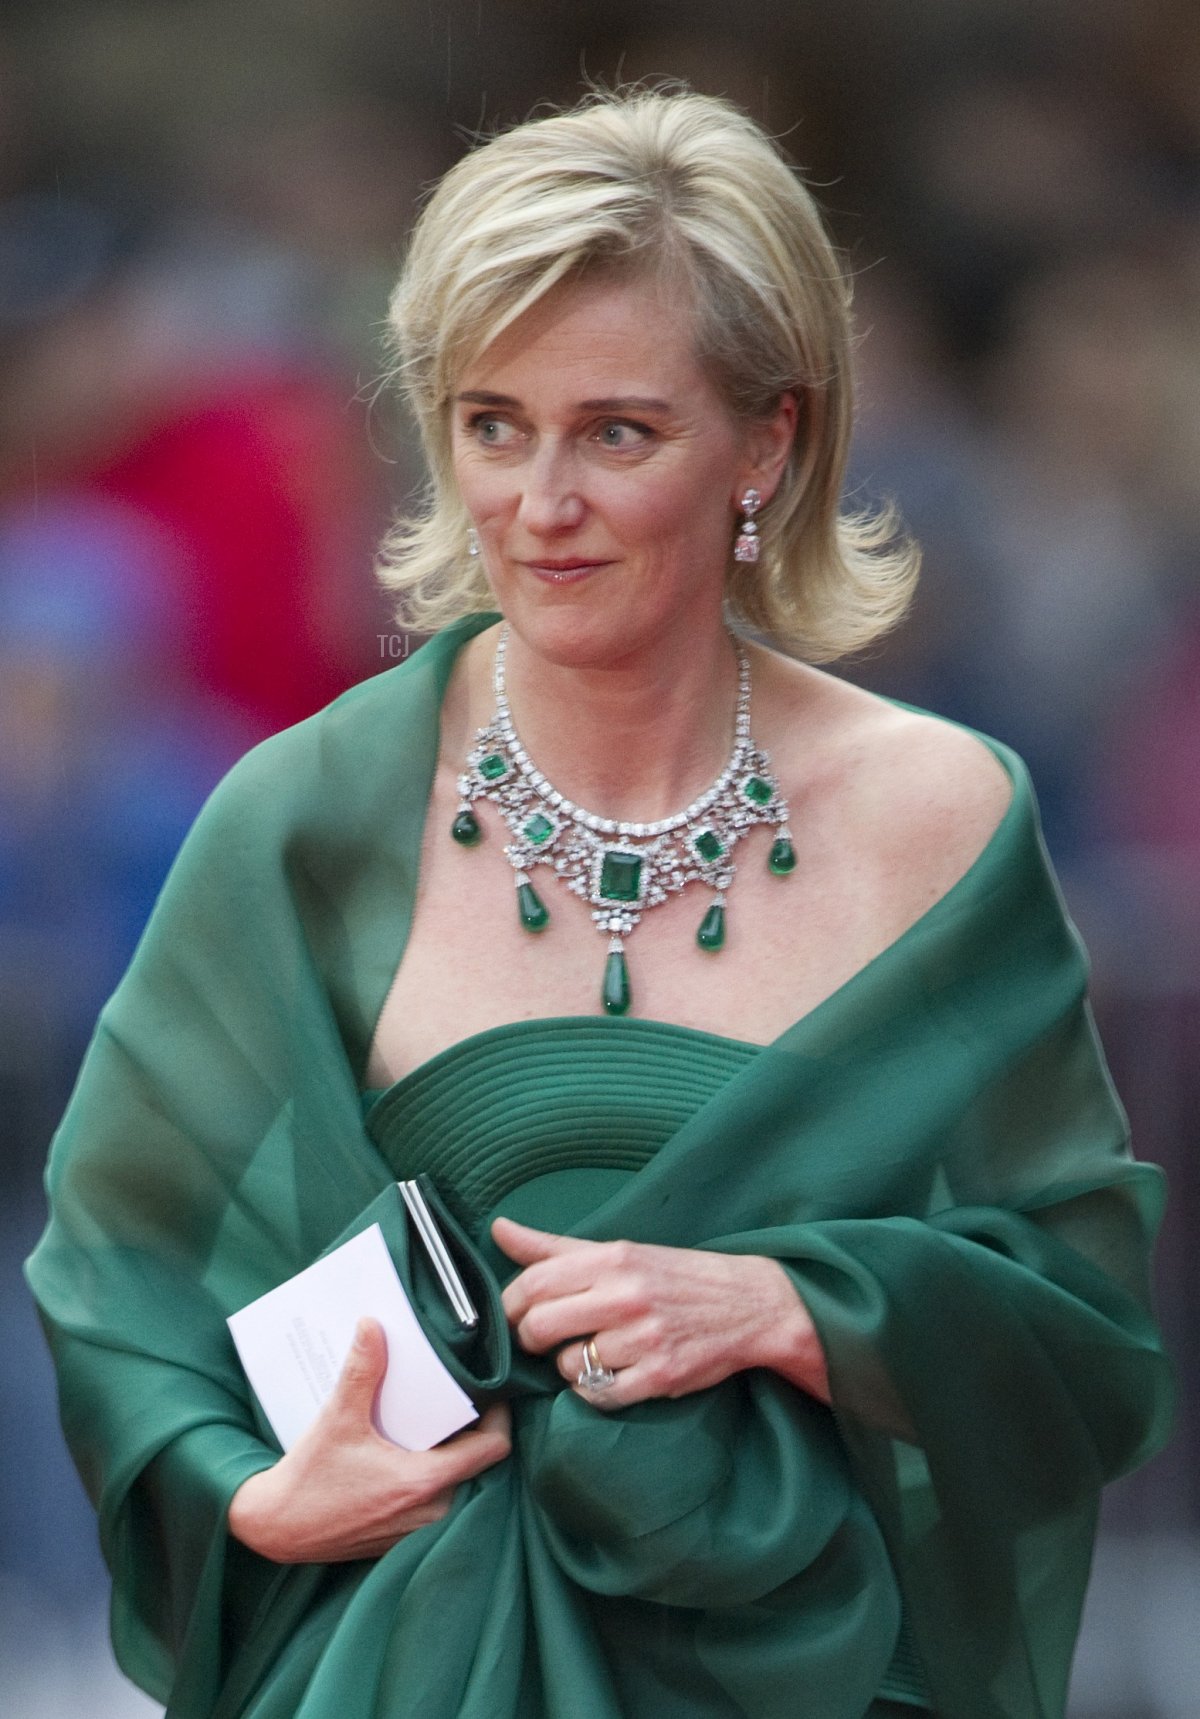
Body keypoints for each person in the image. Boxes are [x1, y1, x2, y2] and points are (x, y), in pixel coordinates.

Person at [26, 88, 1172, 1719]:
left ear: (767, 441)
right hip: (404, 1667)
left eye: (617, 432)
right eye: (493, 425)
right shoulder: (306, 816)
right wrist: (246, 1495)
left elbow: (1084, 1337)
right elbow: (122, 1266)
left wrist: (791, 1304)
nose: (538, 506)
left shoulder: (942, 813)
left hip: (826, 1673)